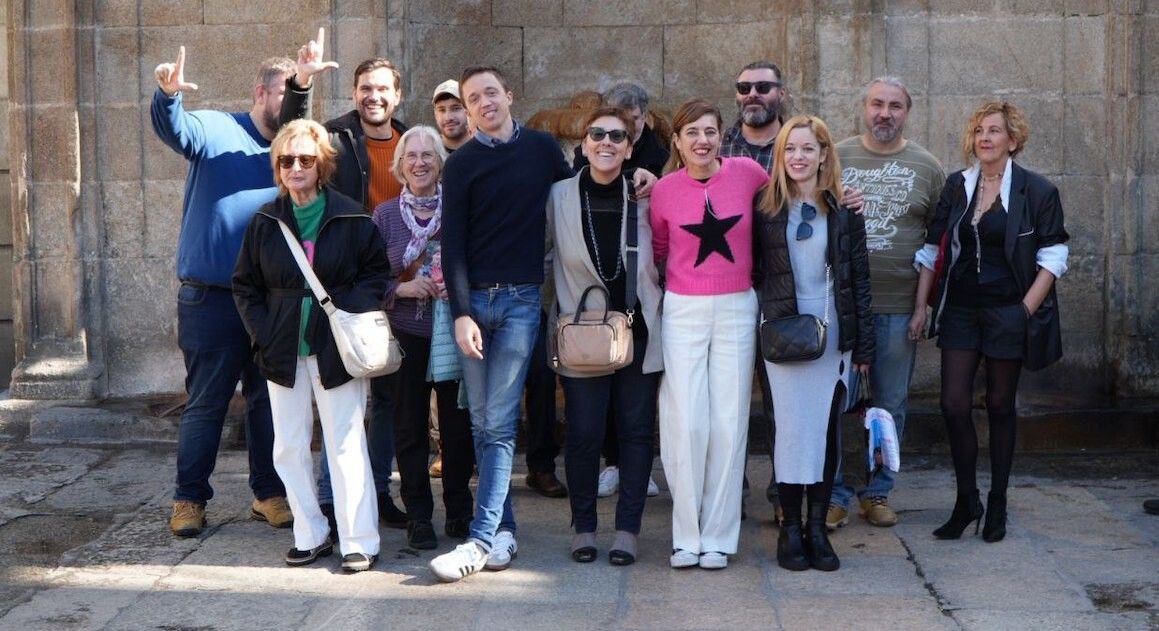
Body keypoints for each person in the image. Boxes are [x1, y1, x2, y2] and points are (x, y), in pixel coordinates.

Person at [429, 66, 575, 583]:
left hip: (519, 302)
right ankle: (505, 529)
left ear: (508, 95)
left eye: (491, 92)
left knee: (497, 420)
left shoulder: (540, 150)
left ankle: (481, 537)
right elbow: (454, 248)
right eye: (473, 98)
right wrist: (463, 312)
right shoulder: (462, 165)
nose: (484, 102)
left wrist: (638, 181)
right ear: (466, 111)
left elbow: (577, 200)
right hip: (474, 307)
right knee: (483, 425)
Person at [150, 46, 297, 537]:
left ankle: (269, 493)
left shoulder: (294, 154)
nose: (293, 103)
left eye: (301, 95)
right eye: (285, 92)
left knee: (268, 403)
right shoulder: (217, 129)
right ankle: (189, 499)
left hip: (270, 301)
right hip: (210, 298)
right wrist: (169, 97)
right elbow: (178, 130)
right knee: (206, 404)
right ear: (260, 92)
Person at [232, 119, 389, 572]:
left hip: (336, 347)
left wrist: (346, 312)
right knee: (288, 446)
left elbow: (376, 273)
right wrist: (264, 331)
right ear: (277, 168)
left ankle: (359, 539)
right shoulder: (264, 222)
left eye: (305, 159)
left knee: (344, 444)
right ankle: (311, 531)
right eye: (286, 160)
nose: (295, 167)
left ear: (322, 165)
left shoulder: (352, 216)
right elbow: (245, 285)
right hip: (282, 348)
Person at [919, 101, 1068, 543]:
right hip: (962, 308)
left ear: (1013, 140)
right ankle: (968, 501)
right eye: (980, 130)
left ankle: (998, 500)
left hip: (1008, 309)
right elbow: (932, 249)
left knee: (1001, 405)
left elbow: (1054, 255)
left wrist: (1024, 310)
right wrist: (921, 307)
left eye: (995, 131)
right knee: (953, 404)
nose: (985, 138)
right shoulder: (957, 186)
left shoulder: (1037, 191)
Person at [279, 34, 409, 529]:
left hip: (405, 288)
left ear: (396, 95)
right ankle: (333, 503)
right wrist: (302, 82)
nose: (372, 96)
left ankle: (377, 491)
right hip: (348, 292)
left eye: (382, 89)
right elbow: (294, 133)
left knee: (388, 400)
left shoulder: (413, 141)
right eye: (363, 88)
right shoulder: (334, 138)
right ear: (354, 94)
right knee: (341, 400)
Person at [756, 115, 874, 572]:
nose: (798, 157)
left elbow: (858, 280)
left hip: (832, 335)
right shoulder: (765, 209)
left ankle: (817, 529)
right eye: (790, 149)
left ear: (824, 153)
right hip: (786, 335)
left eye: (808, 149)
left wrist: (862, 348)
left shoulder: (844, 209)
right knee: (789, 433)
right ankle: (789, 531)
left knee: (825, 434)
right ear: (780, 156)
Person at [651, 99, 766, 571]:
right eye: (692, 132)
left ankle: (719, 535)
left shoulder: (747, 173)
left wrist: (846, 194)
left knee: (730, 421)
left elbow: (798, 181)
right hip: (683, 307)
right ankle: (687, 534)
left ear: (723, 136)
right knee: (686, 422)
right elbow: (660, 247)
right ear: (676, 142)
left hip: (739, 304)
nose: (702, 140)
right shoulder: (662, 190)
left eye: (711, 131)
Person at [547, 106, 664, 566]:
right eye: (597, 134)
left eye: (617, 136)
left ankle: (628, 529)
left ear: (630, 148)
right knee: (584, 433)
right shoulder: (557, 196)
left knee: (636, 432)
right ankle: (584, 526)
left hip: (637, 328)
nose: (606, 142)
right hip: (583, 332)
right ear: (584, 142)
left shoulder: (646, 195)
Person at [829, 77, 946, 529]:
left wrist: (922, 307)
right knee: (839, 402)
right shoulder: (835, 158)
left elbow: (936, 244)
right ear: (864, 107)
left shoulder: (927, 167)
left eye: (895, 106)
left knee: (890, 403)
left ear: (907, 112)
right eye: (877, 103)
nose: (885, 113)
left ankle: (877, 492)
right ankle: (835, 492)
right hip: (842, 308)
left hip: (899, 305)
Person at [371, 126, 475, 550]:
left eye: (427, 155)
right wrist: (400, 289)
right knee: (409, 427)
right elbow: (368, 277)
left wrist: (460, 285)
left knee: (457, 426)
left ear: (440, 162)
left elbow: (477, 260)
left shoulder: (461, 209)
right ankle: (418, 515)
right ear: (399, 166)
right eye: (410, 156)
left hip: (453, 330)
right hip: (407, 333)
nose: (419, 163)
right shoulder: (385, 215)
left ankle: (459, 509)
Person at [570, 82, 667, 500]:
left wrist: (653, 180)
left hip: (638, 303)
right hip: (591, 310)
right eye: (599, 134)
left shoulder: (657, 158)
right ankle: (611, 466)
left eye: (624, 131)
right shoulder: (573, 179)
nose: (608, 141)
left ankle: (635, 473)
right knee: (595, 413)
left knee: (637, 410)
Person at [432, 80, 470, 152]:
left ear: (468, 110)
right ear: (435, 114)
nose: (448, 117)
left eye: (456, 108)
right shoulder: (429, 152)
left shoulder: (484, 149)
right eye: (442, 110)